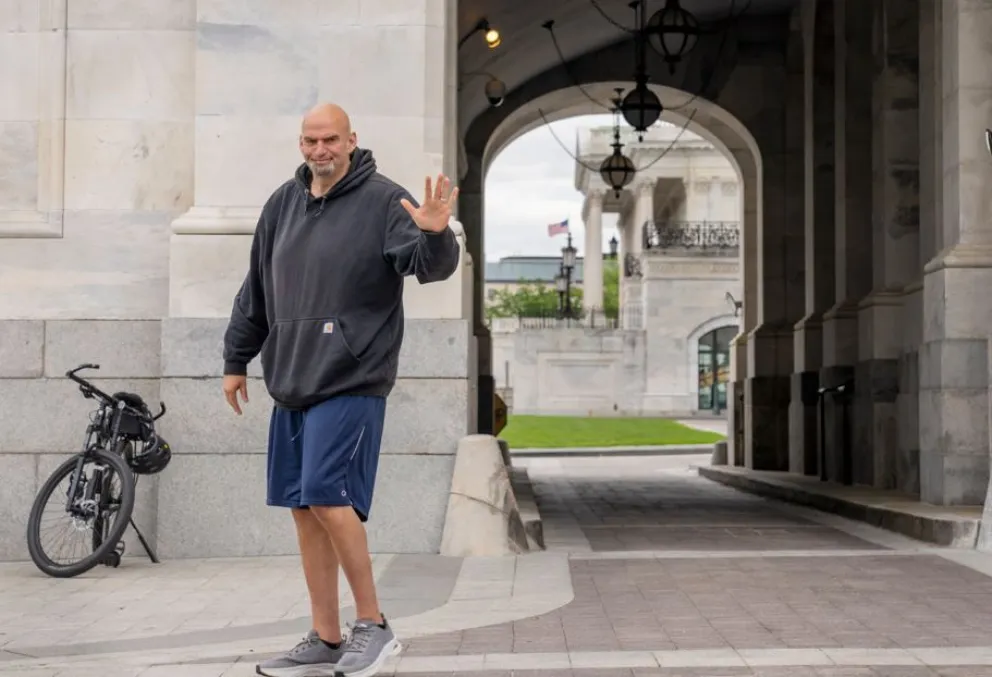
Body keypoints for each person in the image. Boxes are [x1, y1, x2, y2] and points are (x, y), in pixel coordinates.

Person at [220, 102, 460, 677]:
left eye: (329, 139)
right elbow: (256, 287)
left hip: (352, 378)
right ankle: (326, 636)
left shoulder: (385, 201)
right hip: (291, 378)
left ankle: (373, 625)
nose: (319, 150)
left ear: (351, 140)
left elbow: (430, 266)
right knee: (304, 509)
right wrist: (236, 357)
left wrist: (436, 233)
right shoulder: (282, 203)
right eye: (310, 140)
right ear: (300, 144)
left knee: (329, 496)